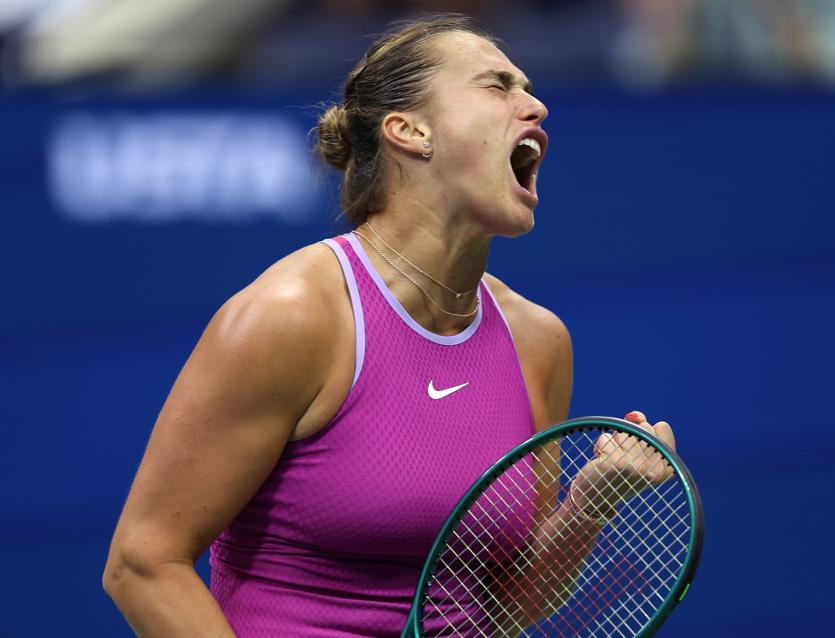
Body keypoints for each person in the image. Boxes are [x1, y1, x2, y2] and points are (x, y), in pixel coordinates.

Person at [102, 13, 675, 637]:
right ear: (410, 131)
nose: (535, 105)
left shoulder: (537, 340)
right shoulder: (293, 316)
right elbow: (143, 562)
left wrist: (592, 503)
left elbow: (510, 603)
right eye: (498, 86)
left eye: (529, 88)